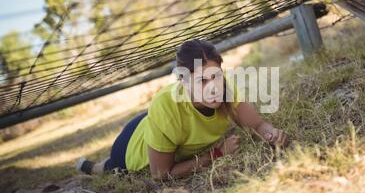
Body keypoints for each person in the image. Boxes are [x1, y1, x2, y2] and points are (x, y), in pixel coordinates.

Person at [76, 39, 288, 179]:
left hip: (157, 122)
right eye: (201, 81)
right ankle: (90, 166)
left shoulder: (223, 88)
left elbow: (258, 124)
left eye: (215, 76)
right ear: (183, 81)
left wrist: (271, 134)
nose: (213, 88)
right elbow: (160, 175)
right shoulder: (165, 105)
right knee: (109, 168)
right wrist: (217, 154)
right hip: (131, 147)